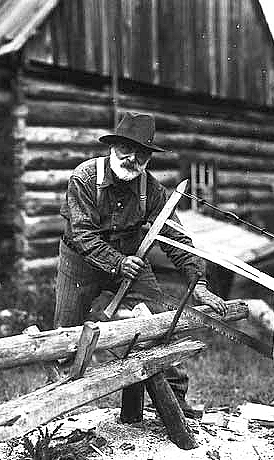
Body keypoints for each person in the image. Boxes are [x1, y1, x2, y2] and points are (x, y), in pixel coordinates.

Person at [54, 112, 227, 417]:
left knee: (159, 325)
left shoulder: (154, 191)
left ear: (149, 157)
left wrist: (197, 283)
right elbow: (82, 235)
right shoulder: (83, 178)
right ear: (113, 147)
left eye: (142, 153)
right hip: (81, 261)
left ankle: (174, 400)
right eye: (126, 149)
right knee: (66, 337)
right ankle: (61, 407)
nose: (132, 159)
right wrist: (117, 263)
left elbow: (178, 240)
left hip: (132, 262)